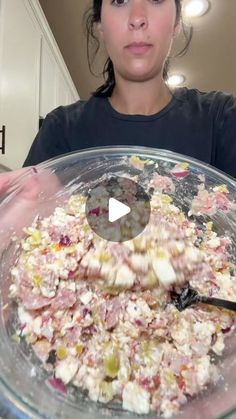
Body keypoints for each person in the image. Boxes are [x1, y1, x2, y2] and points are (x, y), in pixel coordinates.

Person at [19, 0, 236, 179]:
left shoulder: (221, 119)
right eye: (119, 0)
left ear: (177, 22)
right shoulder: (61, 130)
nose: (137, 19)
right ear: (100, 24)